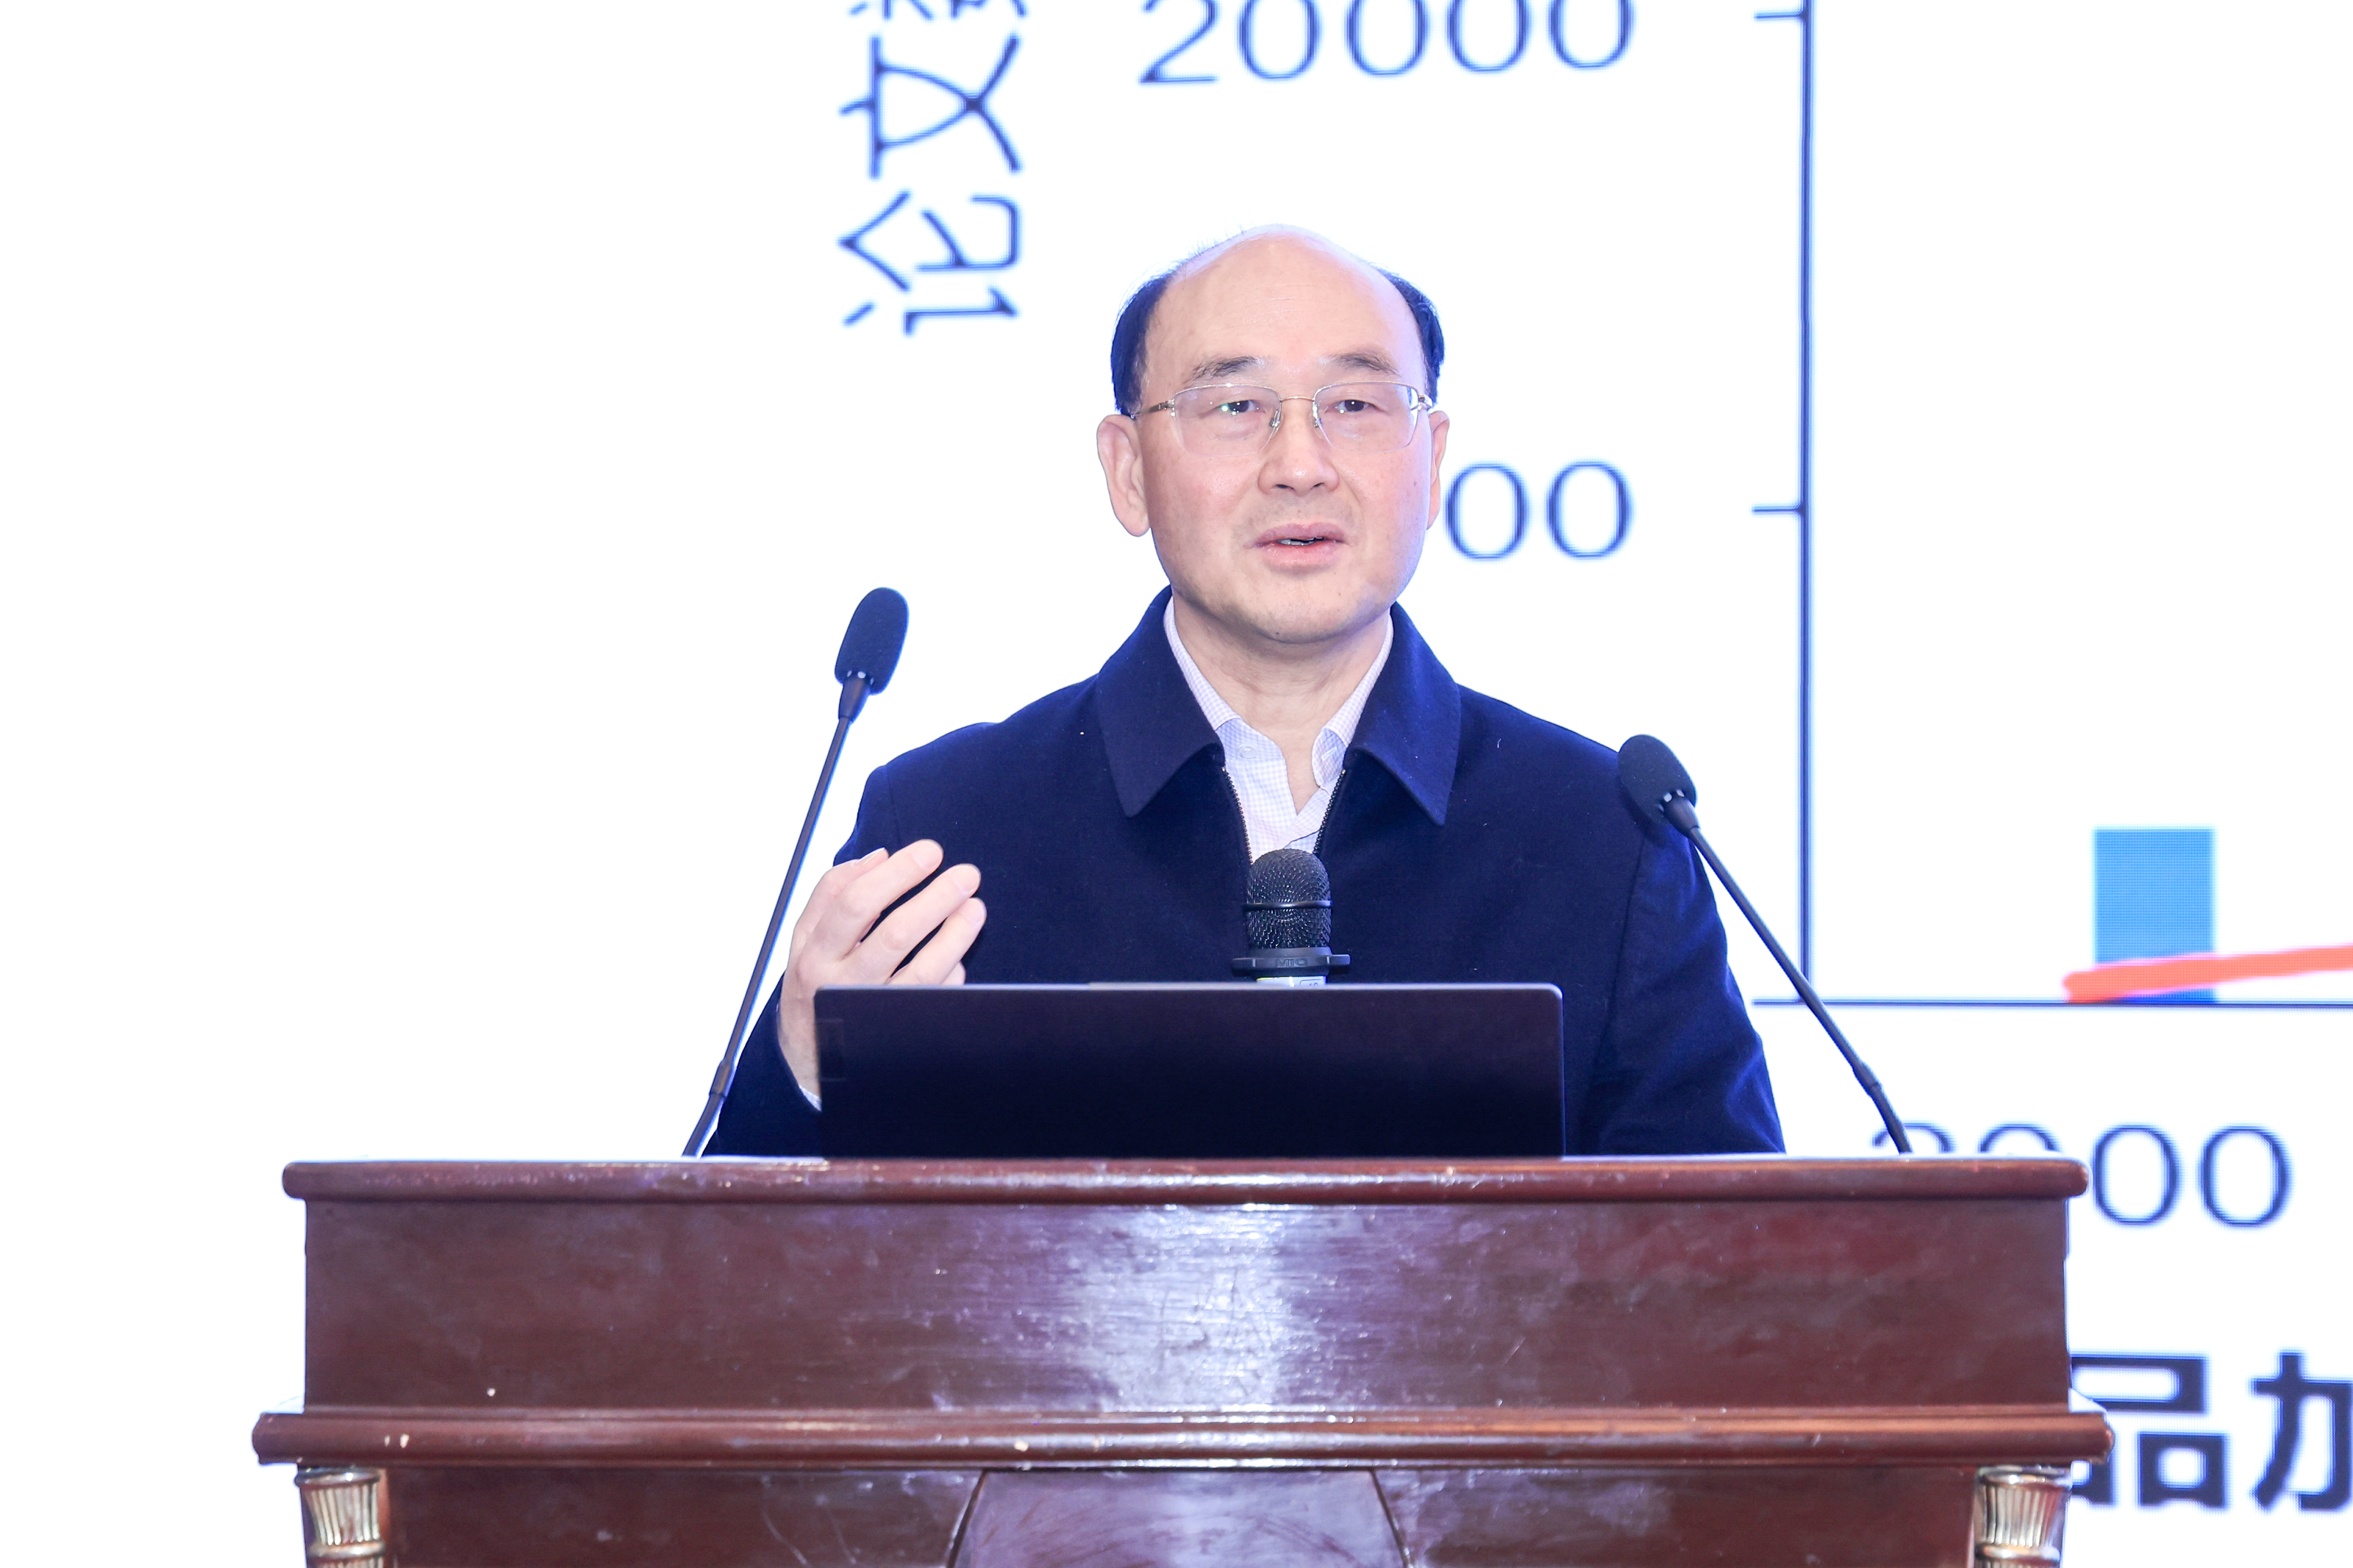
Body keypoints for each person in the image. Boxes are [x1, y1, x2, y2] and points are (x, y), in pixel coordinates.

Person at [704, 227, 1781, 1156]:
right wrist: (802, 1076)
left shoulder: (1605, 841)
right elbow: (733, 1285)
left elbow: (1741, 1279)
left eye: (1356, 403)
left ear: (1433, 457)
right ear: (1128, 471)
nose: (1301, 462)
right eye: (1235, 405)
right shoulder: (949, 831)